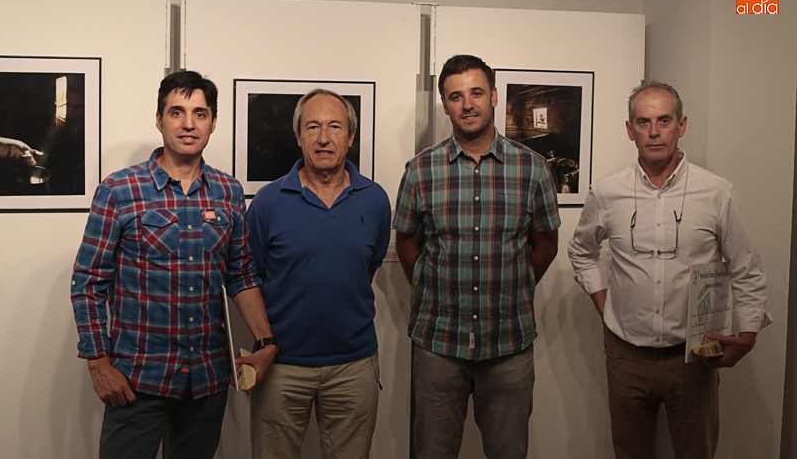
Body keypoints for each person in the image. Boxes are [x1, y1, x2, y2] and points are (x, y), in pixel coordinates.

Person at [71, 71, 277, 459]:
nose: (188, 123)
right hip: (136, 380)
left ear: (213, 122)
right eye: (177, 112)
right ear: (159, 119)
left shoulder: (228, 191)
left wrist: (265, 341)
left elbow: (240, 274)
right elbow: (88, 282)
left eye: (200, 114)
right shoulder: (120, 190)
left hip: (206, 380)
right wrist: (99, 365)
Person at [567, 81, 772, 459]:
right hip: (626, 358)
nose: (654, 131)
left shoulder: (716, 192)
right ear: (630, 130)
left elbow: (746, 267)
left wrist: (748, 332)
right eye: (643, 122)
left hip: (693, 356)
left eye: (664, 120)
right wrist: (604, 304)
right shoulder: (607, 192)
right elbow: (581, 251)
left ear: (682, 124)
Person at [393, 54, 561, 459]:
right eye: (455, 96)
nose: (467, 104)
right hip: (437, 345)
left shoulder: (533, 169)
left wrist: (512, 287)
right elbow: (407, 244)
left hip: (508, 346)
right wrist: (438, 290)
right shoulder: (420, 170)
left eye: (476, 93)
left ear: (495, 97)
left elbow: (545, 244)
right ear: (445, 105)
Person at [244, 88, 391, 458]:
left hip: (354, 366)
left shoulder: (375, 200)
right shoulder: (267, 203)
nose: (323, 138)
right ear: (298, 136)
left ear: (351, 137)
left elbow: (367, 268)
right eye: (312, 127)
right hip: (281, 366)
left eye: (335, 126)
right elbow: (251, 276)